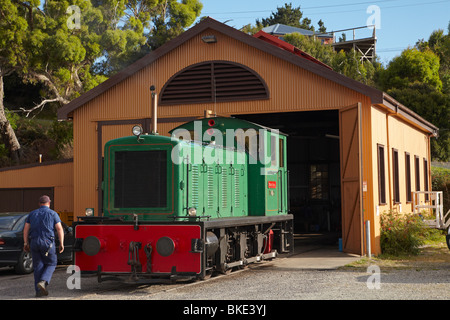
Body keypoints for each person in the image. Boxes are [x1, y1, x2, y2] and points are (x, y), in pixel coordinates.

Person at [23, 195, 64, 297]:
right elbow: (59, 228)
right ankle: (44, 281)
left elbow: (26, 229)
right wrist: (61, 243)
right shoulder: (53, 214)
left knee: (38, 266)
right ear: (49, 203)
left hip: (34, 242)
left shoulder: (32, 214)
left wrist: (25, 242)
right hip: (47, 243)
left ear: (39, 203)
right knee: (52, 263)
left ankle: (38, 292)